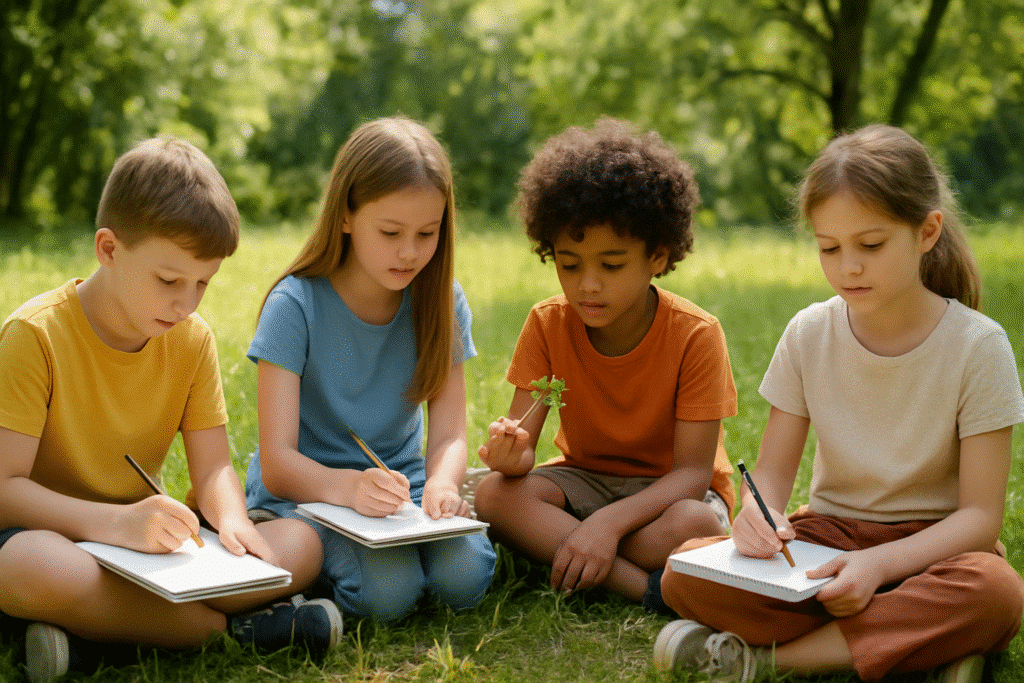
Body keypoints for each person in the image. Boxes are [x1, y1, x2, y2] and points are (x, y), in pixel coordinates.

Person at [655, 124, 1024, 683]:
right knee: (685, 574)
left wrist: (877, 567)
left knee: (995, 592)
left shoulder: (979, 345)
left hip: (933, 552)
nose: (848, 266)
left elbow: (978, 519)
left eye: (870, 246)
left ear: (927, 232)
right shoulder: (809, 332)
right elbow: (772, 480)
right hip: (827, 542)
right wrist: (759, 516)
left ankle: (764, 662)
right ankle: (917, 646)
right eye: (830, 248)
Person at [0, 138, 341, 683]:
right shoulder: (33, 336)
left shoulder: (191, 339)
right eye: (168, 281)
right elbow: (5, 491)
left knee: (299, 542)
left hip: (153, 547)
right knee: (25, 568)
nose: (186, 304)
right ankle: (224, 633)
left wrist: (230, 521)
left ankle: (99, 640)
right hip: (54, 535)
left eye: (202, 283)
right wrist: (114, 523)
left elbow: (212, 470)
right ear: (108, 249)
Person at [474, 118, 738, 605]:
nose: (587, 285)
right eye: (569, 264)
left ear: (658, 256)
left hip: (669, 495)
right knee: (493, 495)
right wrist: (512, 457)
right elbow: (523, 450)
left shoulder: (696, 335)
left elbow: (692, 476)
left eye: (611, 265)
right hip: (585, 479)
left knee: (695, 524)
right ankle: (644, 590)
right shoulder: (547, 323)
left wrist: (603, 525)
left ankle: (577, 551)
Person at [245, 116, 496, 621]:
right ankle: (291, 588)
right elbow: (277, 460)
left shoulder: (441, 301)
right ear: (345, 216)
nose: (409, 252)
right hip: (309, 493)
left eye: (427, 233)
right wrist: (346, 489)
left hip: (404, 491)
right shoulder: (294, 305)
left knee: (465, 578)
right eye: (390, 232)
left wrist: (444, 484)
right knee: (388, 594)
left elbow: (448, 434)